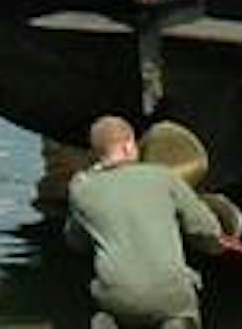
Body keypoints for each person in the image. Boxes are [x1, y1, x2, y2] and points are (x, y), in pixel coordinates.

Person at [63, 114, 224, 329]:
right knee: (181, 311)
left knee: (104, 311)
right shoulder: (164, 177)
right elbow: (208, 230)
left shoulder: (82, 190)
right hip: (172, 295)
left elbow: (75, 242)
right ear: (129, 146)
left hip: (118, 297)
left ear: (97, 152)